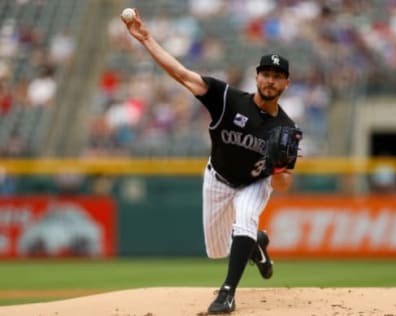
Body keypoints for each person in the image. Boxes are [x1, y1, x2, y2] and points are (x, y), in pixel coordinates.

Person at [122, 9, 301, 314]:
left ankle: (227, 293)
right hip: (217, 178)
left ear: (286, 84)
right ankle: (255, 244)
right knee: (217, 249)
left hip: (254, 183)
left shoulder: (286, 129)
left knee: (245, 218)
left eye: (277, 77)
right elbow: (181, 73)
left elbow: (282, 185)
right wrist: (147, 38)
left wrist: (281, 167)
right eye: (266, 74)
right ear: (256, 76)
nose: (270, 81)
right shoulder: (227, 98)